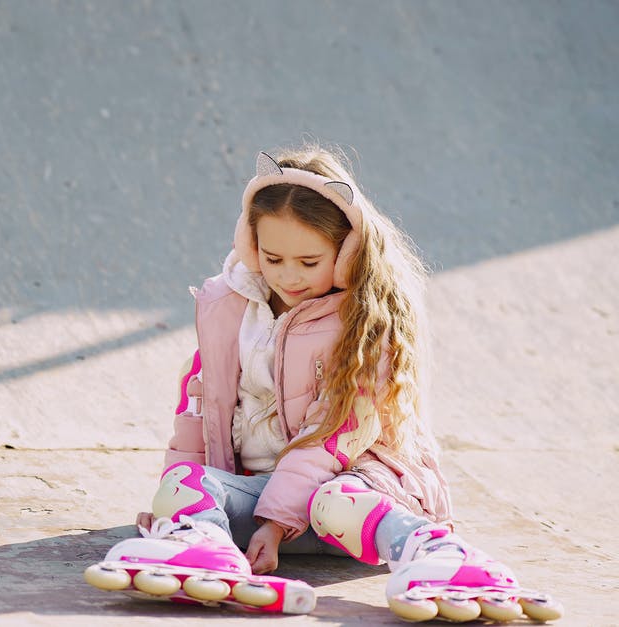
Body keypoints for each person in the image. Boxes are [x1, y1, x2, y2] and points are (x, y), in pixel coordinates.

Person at [84, 147, 562, 622]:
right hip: (268, 501)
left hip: (361, 502)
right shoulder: (230, 310)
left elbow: (330, 436)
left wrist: (273, 524)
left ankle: (435, 552)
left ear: (345, 252)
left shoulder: (365, 324)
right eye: (272, 258)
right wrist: (179, 513)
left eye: (309, 262)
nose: (288, 276)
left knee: (333, 500)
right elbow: (199, 413)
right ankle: (199, 548)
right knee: (182, 483)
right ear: (251, 245)